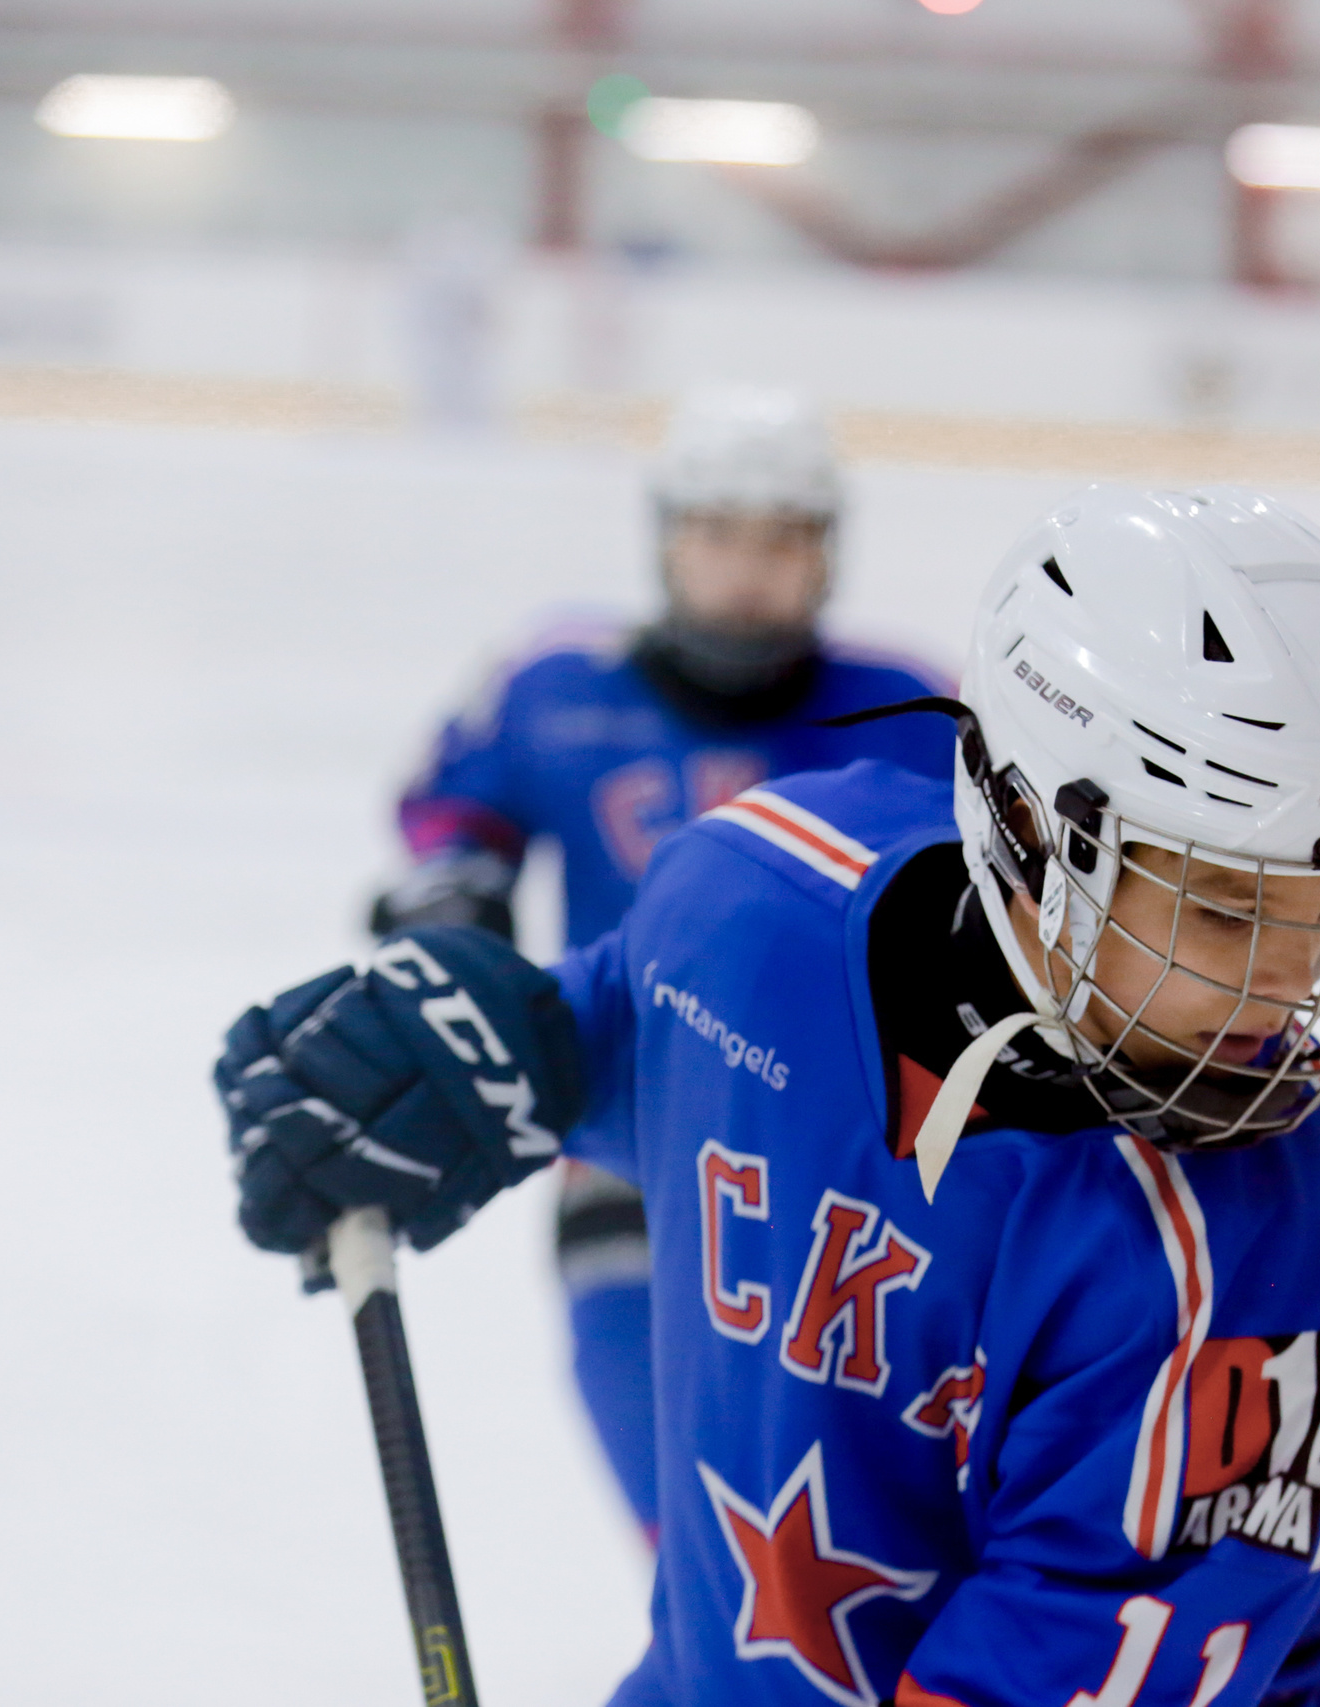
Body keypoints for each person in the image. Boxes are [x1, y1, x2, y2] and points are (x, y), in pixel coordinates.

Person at [222, 485, 1320, 1706]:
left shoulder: (1268, 1238)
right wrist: (470, 1053)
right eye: (1230, 905)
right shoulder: (761, 908)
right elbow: (624, 1040)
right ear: (1027, 823)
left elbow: (1068, 1658)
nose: (1296, 977)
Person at [372, 384, 954, 1543]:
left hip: (850, 1144)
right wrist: (453, 910)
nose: (749, 571)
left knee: (858, 1490)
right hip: (633, 1111)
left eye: (782, 542)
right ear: (666, 541)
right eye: (719, 536)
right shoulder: (555, 687)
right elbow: (452, 819)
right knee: (683, 1496)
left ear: (825, 554)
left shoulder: (907, 715)